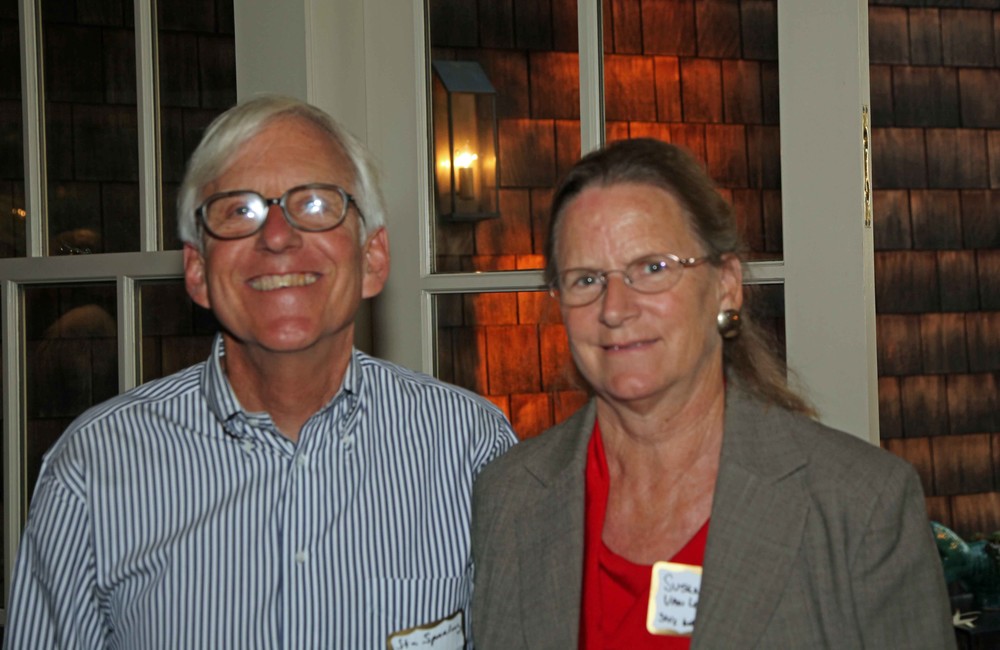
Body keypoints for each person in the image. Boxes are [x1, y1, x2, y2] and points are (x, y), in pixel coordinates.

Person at [5, 95, 517, 649]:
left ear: (372, 258)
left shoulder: (472, 450)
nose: (276, 236)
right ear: (198, 271)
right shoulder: (91, 471)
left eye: (316, 204)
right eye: (238, 211)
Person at [470, 138, 955, 649]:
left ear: (726, 285)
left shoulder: (859, 505)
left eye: (653, 268)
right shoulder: (511, 498)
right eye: (586, 279)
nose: (614, 308)